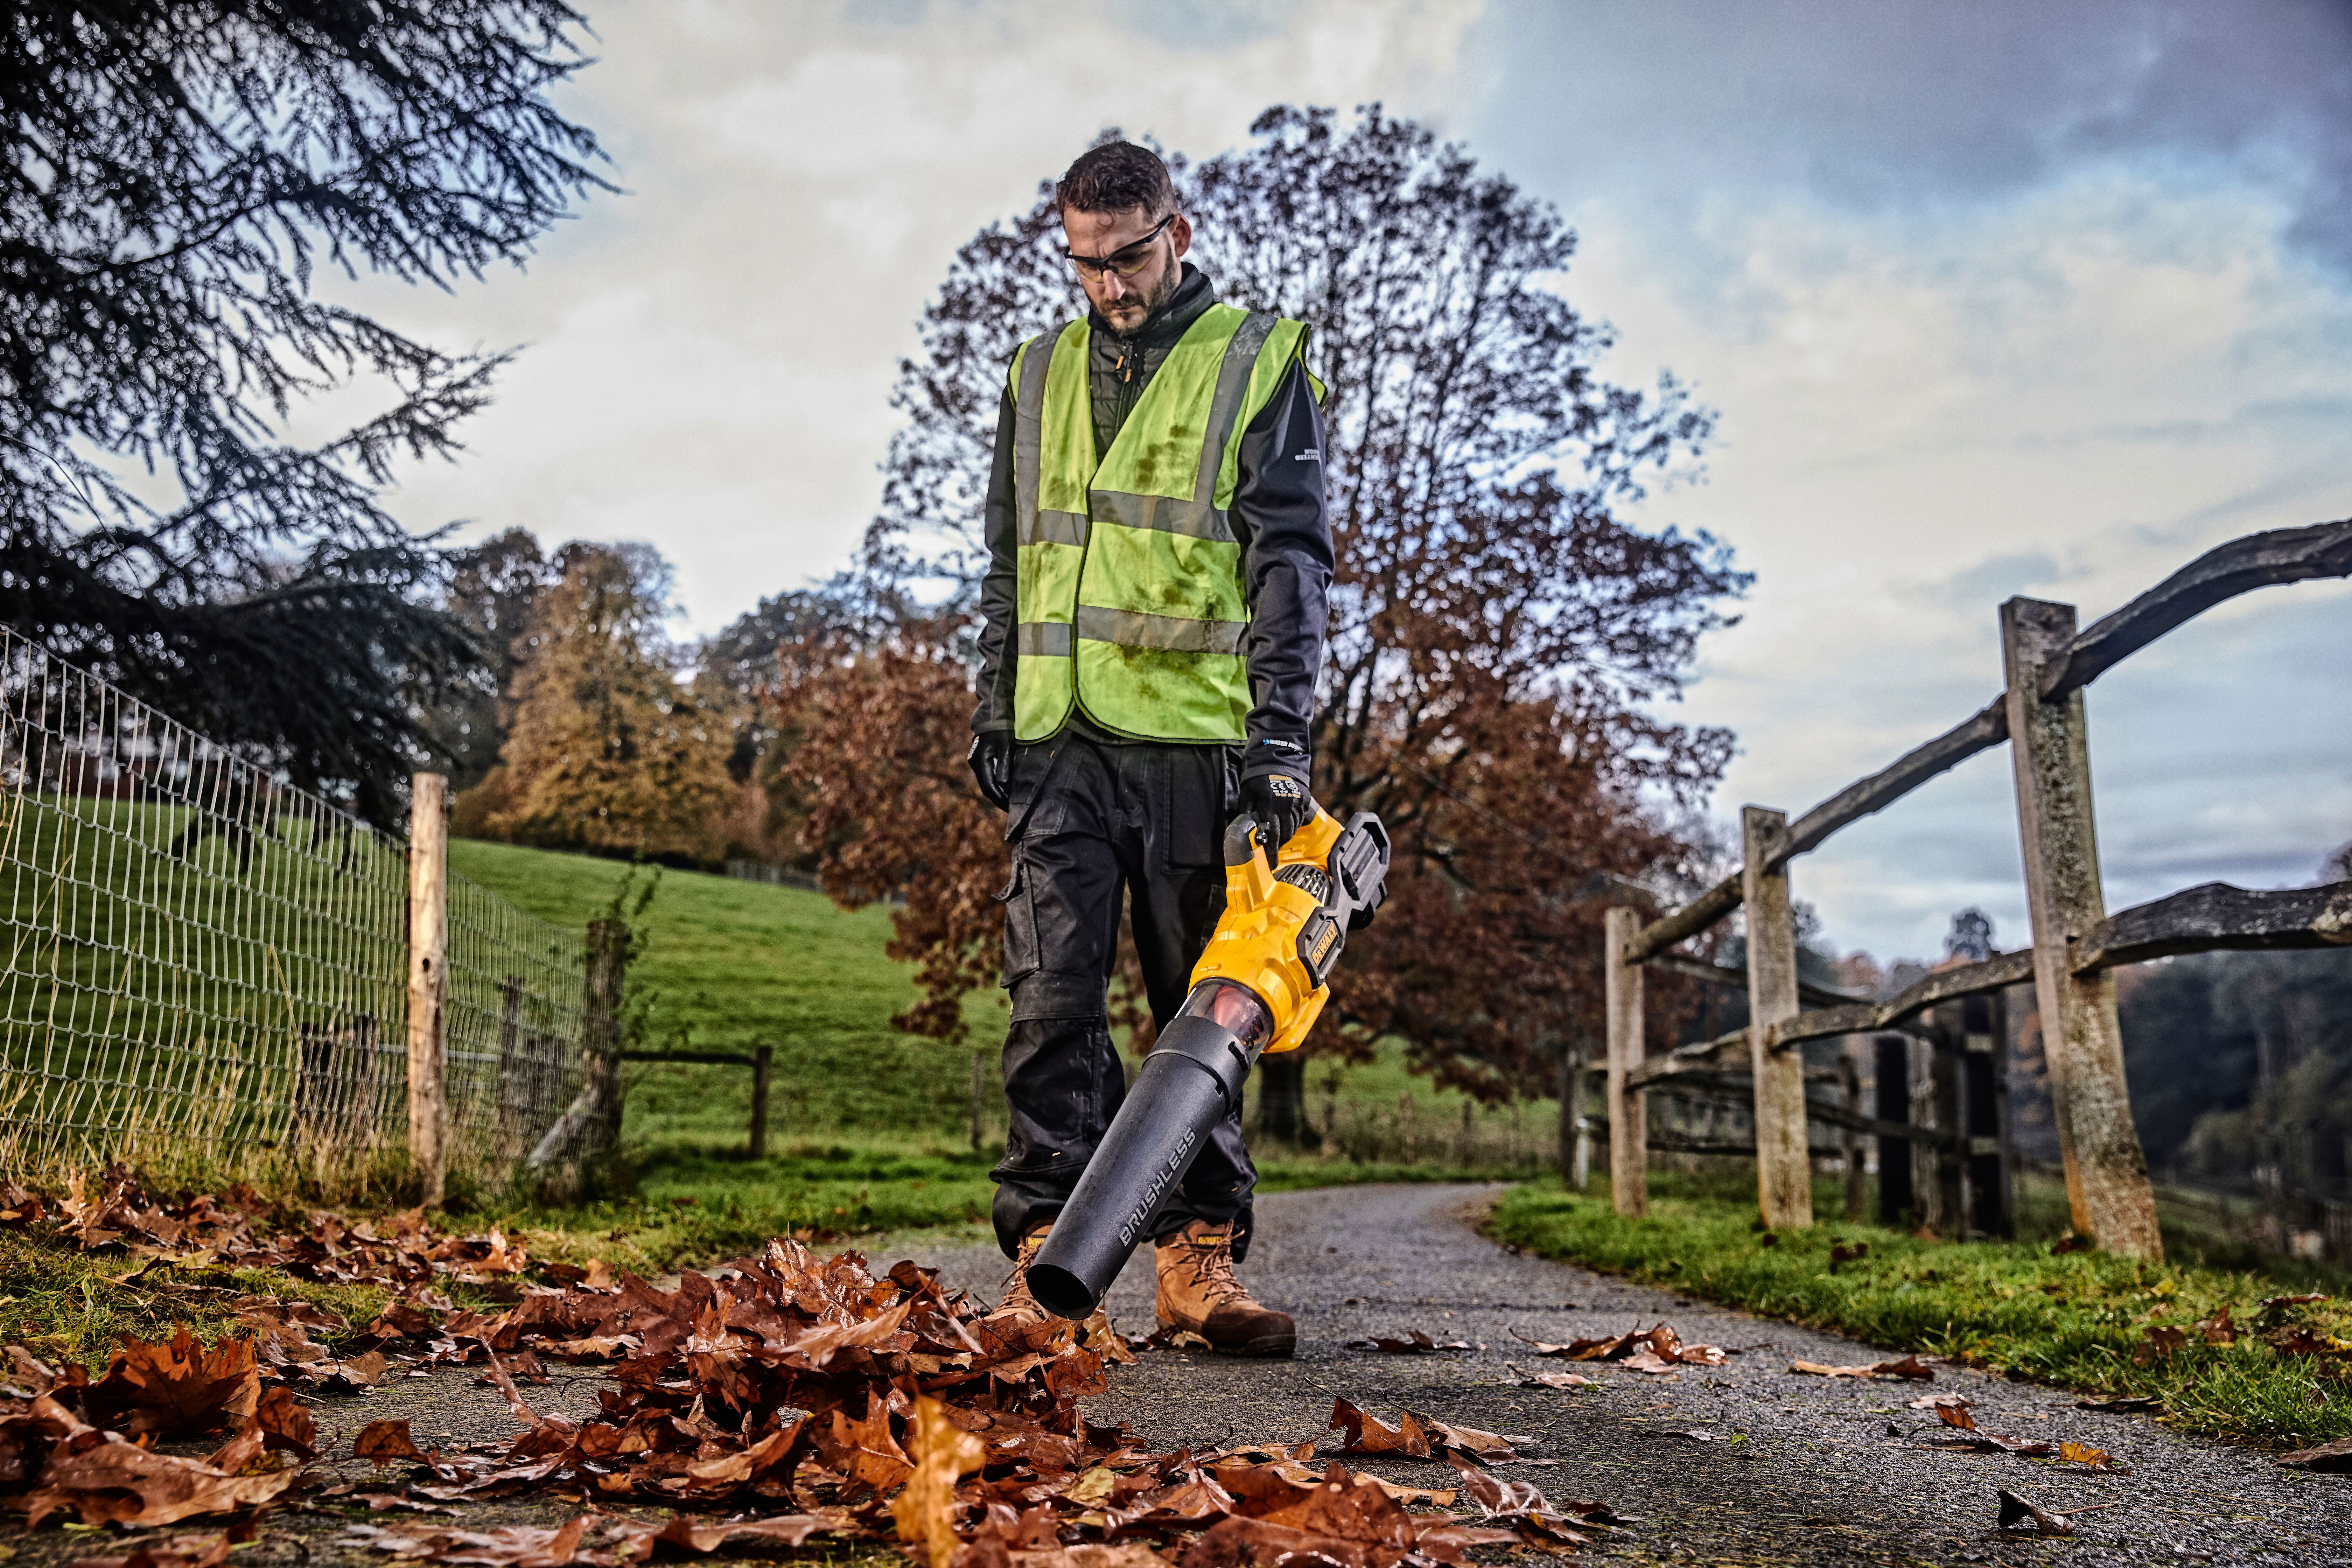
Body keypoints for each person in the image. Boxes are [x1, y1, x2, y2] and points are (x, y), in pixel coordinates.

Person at [966, 140, 1332, 1358]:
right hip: (1056, 736)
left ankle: (1197, 1263)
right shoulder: (1034, 372)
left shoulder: (1252, 362)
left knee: (1205, 1014)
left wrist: (1282, 743)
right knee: (1048, 1002)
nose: (1108, 286)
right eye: (1084, 263)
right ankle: (1043, 1271)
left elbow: (1290, 564)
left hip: (1196, 742)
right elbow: (1009, 564)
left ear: (1178, 229)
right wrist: (990, 699)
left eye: (1127, 258)